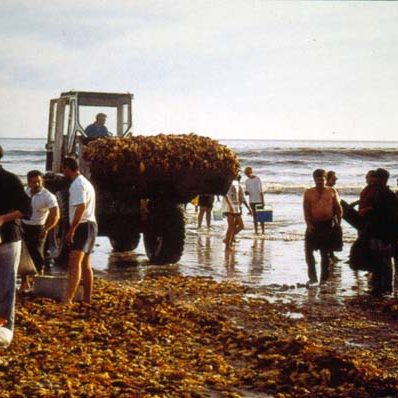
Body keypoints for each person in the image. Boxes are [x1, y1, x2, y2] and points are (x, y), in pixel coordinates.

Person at [0, 145, 31, 347]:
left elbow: (26, 208)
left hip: (9, 237)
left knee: (7, 285)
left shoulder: (9, 179)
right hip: (8, 237)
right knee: (5, 285)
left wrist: (3, 218)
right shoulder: (11, 179)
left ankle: (5, 331)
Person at [62, 157, 97, 305]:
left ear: (67, 168)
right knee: (86, 264)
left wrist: (72, 229)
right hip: (91, 224)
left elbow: (81, 207)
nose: (62, 172)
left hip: (83, 225)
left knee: (74, 262)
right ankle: (87, 298)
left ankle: (68, 299)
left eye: (63, 169)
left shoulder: (77, 185)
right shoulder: (86, 182)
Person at [20, 170, 60, 291]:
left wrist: (46, 229)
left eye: (38, 181)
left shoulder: (48, 196)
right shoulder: (25, 192)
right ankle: (24, 282)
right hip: (24, 225)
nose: (36, 184)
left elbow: (56, 215)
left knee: (37, 255)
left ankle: (39, 283)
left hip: (38, 227)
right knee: (23, 255)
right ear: (28, 182)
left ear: (42, 180)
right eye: (33, 182)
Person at [303, 169, 343, 285]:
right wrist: (308, 224)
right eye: (317, 179)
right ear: (314, 179)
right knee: (308, 251)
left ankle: (323, 279)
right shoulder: (308, 192)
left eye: (322, 179)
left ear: (326, 179)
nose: (320, 182)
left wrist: (338, 223)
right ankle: (312, 277)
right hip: (313, 224)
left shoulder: (331, 191)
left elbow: (338, 208)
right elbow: (306, 209)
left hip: (327, 224)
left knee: (324, 253)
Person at [366, 168, 398, 296]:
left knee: (384, 260)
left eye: (377, 177)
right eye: (374, 177)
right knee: (379, 259)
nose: (374, 180)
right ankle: (380, 286)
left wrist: (390, 236)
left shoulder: (388, 195)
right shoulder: (379, 193)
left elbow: (391, 218)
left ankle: (385, 287)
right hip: (377, 231)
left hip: (384, 233)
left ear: (383, 179)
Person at [222, 179, 244, 251]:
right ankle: (228, 244)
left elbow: (238, 196)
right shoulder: (229, 182)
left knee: (241, 226)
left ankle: (227, 239)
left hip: (236, 206)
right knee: (231, 226)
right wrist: (230, 206)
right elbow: (226, 195)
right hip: (229, 207)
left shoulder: (236, 183)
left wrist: (239, 206)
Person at [244, 166, 265, 234]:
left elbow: (261, 191)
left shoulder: (257, 179)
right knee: (254, 217)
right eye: (246, 174)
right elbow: (247, 192)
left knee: (262, 217)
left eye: (247, 174)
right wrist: (246, 193)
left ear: (250, 172)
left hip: (258, 200)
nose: (247, 175)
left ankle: (263, 231)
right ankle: (256, 231)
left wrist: (263, 201)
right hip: (251, 201)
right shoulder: (246, 181)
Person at [326, 170, 340, 262]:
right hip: (330, 216)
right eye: (334, 179)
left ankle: (331, 254)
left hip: (333, 216)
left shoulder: (332, 189)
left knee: (331, 235)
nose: (335, 180)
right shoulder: (328, 190)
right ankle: (330, 255)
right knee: (329, 235)